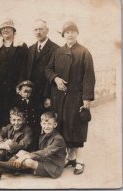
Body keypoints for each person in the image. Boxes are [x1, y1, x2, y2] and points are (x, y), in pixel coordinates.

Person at [45, 21, 95, 175]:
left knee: (77, 128)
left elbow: (89, 77)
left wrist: (86, 99)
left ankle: (79, 161)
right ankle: (70, 157)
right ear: (63, 35)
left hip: (76, 97)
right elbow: (48, 69)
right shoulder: (58, 52)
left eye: (73, 31)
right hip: (60, 98)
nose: (70, 34)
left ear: (77, 34)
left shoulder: (84, 52)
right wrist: (56, 79)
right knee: (64, 127)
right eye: (67, 32)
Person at [0, 18, 29, 129]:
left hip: (15, 88)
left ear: (13, 31)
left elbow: (24, 68)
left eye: (8, 28)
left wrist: (20, 86)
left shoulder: (21, 46)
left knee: (14, 115)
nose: (5, 30)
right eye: (3, 29)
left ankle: (13, 138)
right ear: (0, 32)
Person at [0, 112, 66, 179]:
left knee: (28, 161)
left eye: (49, 124)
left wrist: (24, 157)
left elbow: (44, 152)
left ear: (55, 125)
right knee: (22, 152)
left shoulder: (58, 139)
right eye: (44, 124)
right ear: (41, 124)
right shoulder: (43, 135)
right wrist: (24, 155)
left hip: (53, 166)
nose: (46, 126)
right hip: (44, 159)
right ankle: (8, 167)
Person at [0, 107, 33, 179]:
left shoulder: (28, 130)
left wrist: (4, 145)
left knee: (9, 142)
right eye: (14, 120)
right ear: (10, 120)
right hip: (6, 153)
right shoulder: (9, 127)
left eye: (19, 120)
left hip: (20, 154)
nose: (16, 123)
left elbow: (22, 145)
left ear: (24, 120)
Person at [26, 19, 59, 116]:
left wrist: (49, 96)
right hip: (32, 94)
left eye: (41, 29)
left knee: (45, 123)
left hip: (45, 94)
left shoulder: (55, 49)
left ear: (47, 30)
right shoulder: (31, 49)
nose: (38, 32)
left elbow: (54, 74)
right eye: (35, 30)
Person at [14, 80, 39, 150]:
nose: (27, 94)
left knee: (32, 138)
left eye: (29, 92)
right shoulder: (17, 101)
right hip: (22, 124)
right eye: (25, 91)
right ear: (20, 92)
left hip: (31, 124)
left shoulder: (33, 101)